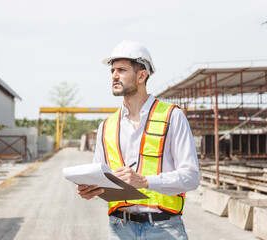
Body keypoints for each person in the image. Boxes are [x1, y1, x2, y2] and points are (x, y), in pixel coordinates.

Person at [77, 40, 200, 240]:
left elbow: (191, 177)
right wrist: (90, 188)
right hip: (119, 228)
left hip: (164, 229)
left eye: (122, 70)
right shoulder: (106, 126)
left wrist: (144, 181)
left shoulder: (172, 116)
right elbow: (100, 175)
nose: (114, 75)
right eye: (112, 71)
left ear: (142, 75)